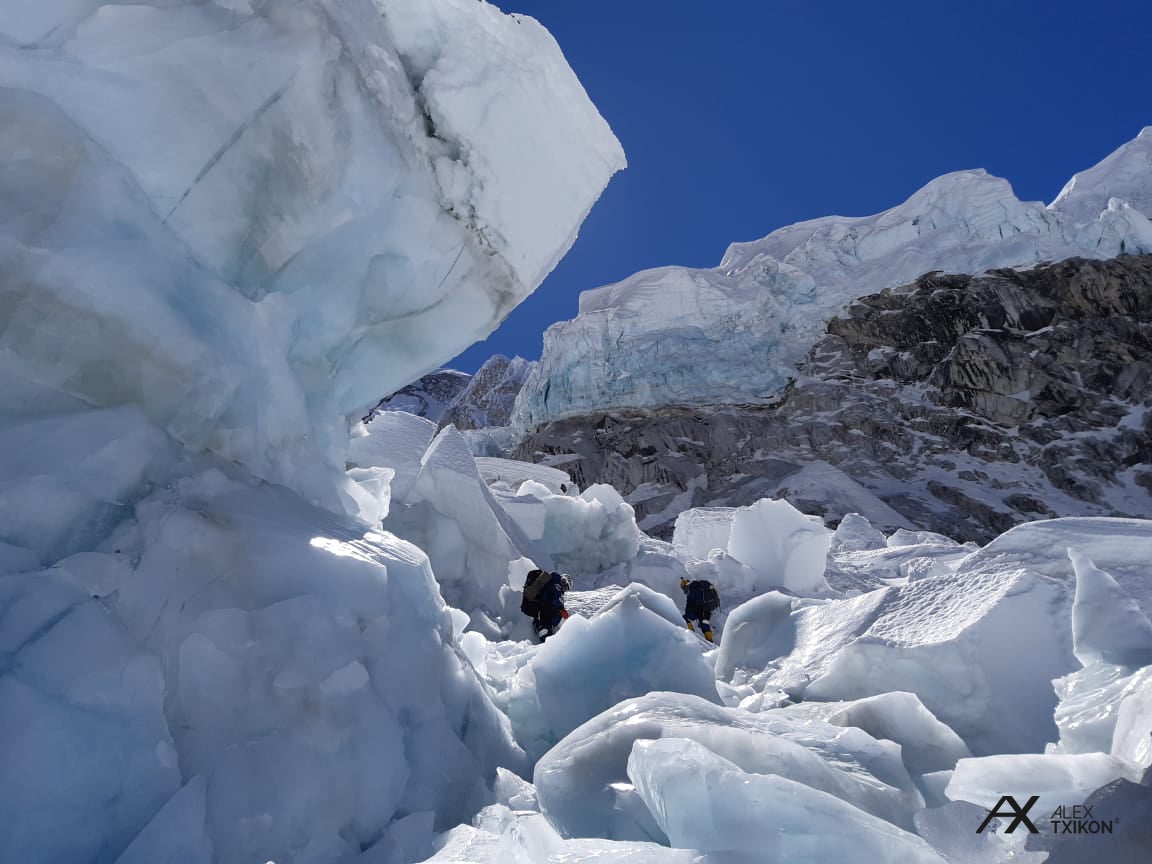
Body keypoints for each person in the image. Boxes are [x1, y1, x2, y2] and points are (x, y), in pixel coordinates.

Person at [521, 569, 571, 642]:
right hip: (545, 610)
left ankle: (543, 642)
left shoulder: (550, 582)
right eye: (566, 585)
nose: (565, 588)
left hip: (539, 609)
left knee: (544, 627)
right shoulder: (556, 581)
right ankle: (571, 634)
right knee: (560, 620)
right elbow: (554, 600)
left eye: (567, 588)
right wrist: (562, 610)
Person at [680, 577, 720, 643]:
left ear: (686, 586)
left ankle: (691, 632)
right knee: (704, 623)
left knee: (685, 618)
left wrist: (688, 614)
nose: (684, 591)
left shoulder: (691, 591)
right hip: (707, 609)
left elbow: (689, 605)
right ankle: (710, 641)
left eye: (684, 588)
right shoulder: (699, 586)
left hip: (699, 610)